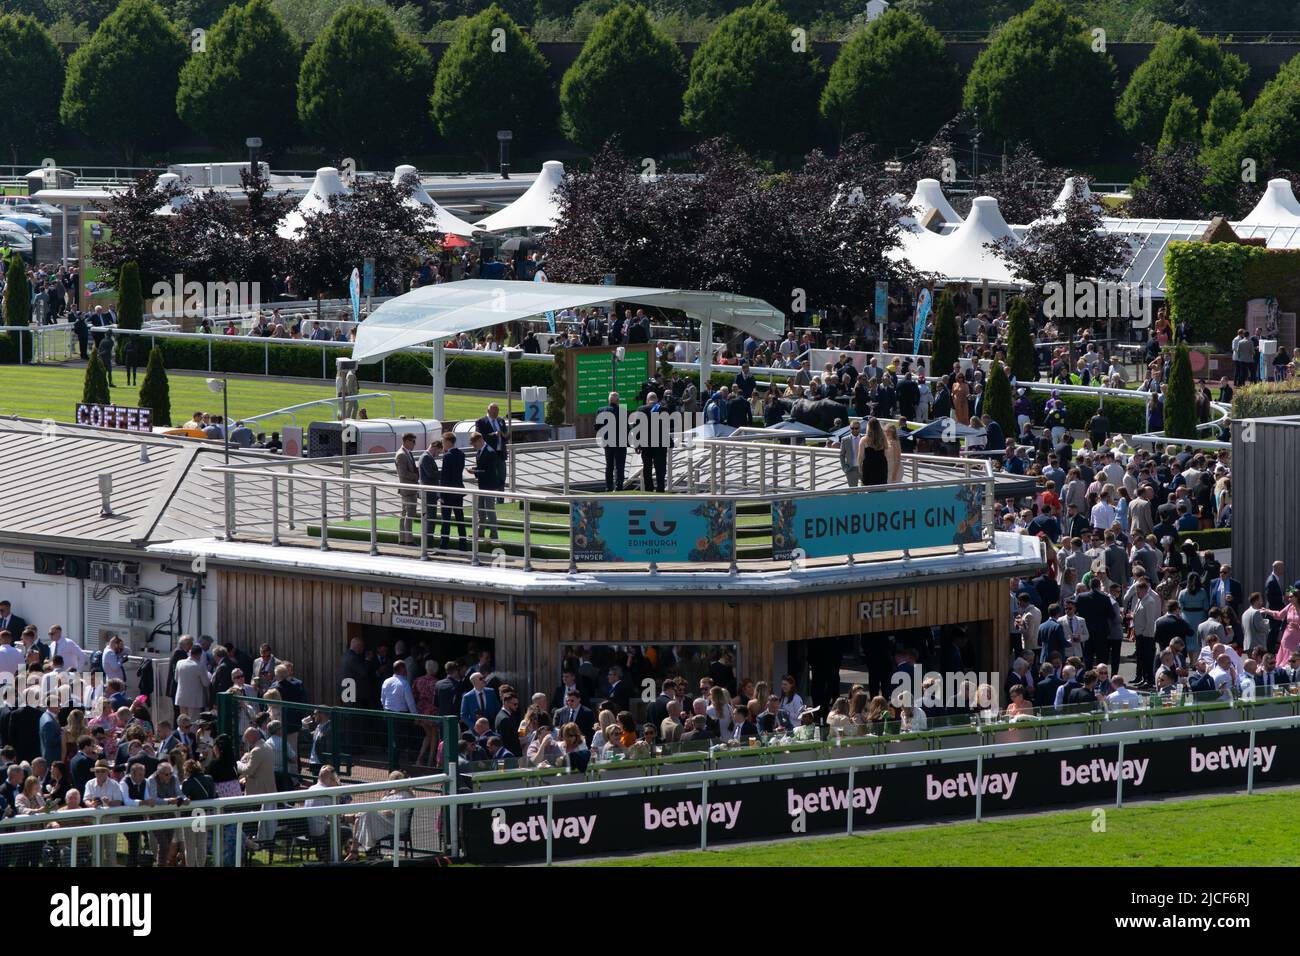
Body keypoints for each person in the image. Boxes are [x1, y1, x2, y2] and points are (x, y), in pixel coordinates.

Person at [469, 432, 503, 541]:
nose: (474, 447)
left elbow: (488, 471)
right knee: (481, 510)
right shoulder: (481, 451)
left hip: (490, 486)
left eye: (474, 445)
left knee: (490, 510)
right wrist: (476, 468)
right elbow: (483, 466)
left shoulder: (490, 452)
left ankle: (494, 534)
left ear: (480, 440)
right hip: (483, 485)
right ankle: (480, 532)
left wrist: (474, 471)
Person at [394, 432, 420, 545]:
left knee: (405, 514)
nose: (414, 444)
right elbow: (403, 473)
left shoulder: (406, 453)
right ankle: (408, 540)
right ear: (407, 441)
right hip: (408, 489)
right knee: (409, 514)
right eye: (413, 441)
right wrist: (417, 476)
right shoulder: (402, 454)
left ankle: (403, 539)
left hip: (408, 488)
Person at [598, 391, 627, 491]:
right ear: (618, 401)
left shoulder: (601, 410)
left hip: (607, 442)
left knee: (609, 466)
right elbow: (626, 428)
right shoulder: (622, 410)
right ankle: (619, 487)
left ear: (608, 400)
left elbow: (596, 427)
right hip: (620, 442)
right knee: (620, 466)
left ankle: (608, 487)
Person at [416, 436, 442, 549]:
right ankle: (427, 545)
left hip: (429, 494)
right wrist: (445, 473)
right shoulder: (426, 457)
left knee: (430, 519)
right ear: (435, 448)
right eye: (439, 452)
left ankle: (428, 544)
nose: (438, 455)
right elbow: (431, 474)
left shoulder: (426, 457)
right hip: (428, 494)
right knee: (430, 520)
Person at [857, 417, 889, 486]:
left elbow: (860, 457)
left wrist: (859, 469)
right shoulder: (883, 438)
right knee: (881, 488)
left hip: (868, 467)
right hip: (881, 466)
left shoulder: (864, 440)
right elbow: (886, 453)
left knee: (869, 489)